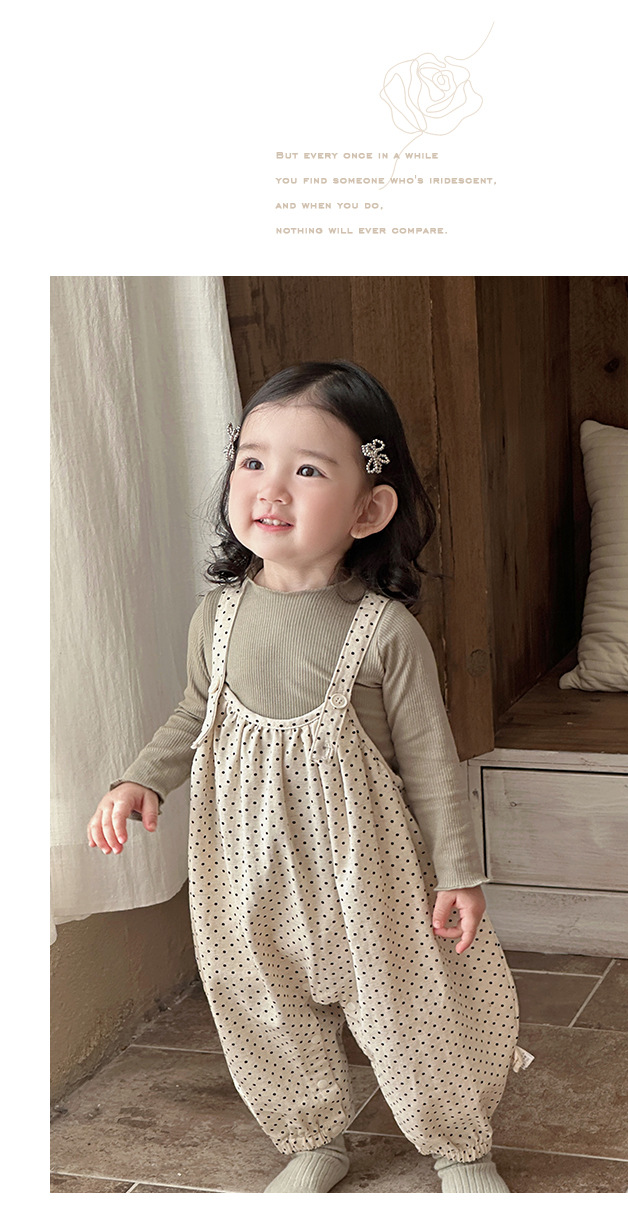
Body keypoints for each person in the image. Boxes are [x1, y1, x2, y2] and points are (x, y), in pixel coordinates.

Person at [87, 359, 531, 1194]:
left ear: (370, 509)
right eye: (253, 460)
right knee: (261, 999)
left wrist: (459, 871)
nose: (271, 487)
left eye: (308, 470)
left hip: (371, 873)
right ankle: (314, 1136)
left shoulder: (384, 633)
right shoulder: (217, 617)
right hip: (247, 864)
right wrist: (141, 778)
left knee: (410, 1006)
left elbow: (432, 763)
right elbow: (195, 713)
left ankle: (460, 1146)